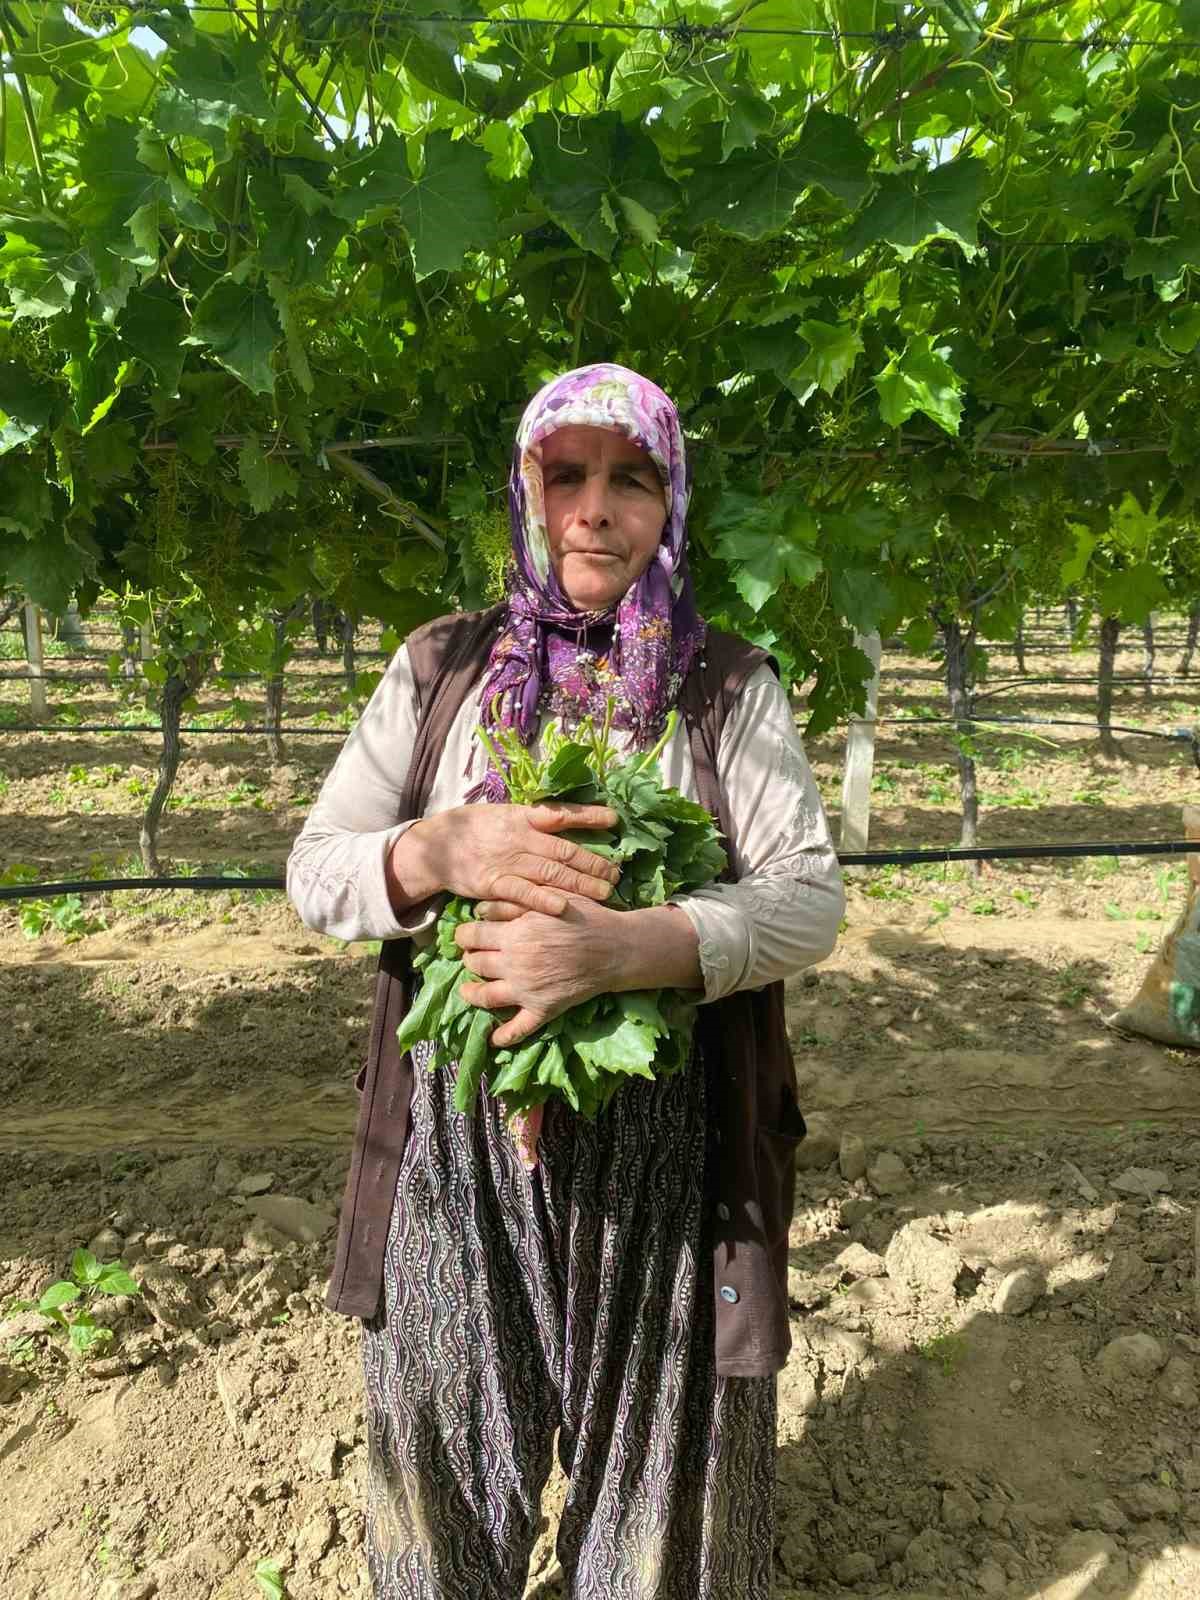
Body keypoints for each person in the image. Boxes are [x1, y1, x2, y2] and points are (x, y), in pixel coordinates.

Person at [286, 363, 845, 1600]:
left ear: (671, 501)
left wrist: (622, 947)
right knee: (437, 1453)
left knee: (659, 1486)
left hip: (670, 1138)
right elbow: (317, 869)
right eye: (568, 475)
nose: (597, 507)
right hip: (458, 1141)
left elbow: (810, 900)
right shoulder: (441, 672)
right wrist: (436, 849)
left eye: (631, 477)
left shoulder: (725, 689)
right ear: (529, 495)